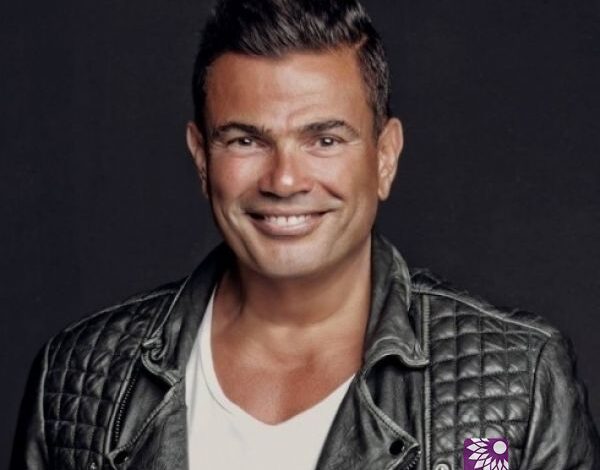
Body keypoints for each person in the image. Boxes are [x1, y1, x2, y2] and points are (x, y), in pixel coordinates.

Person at [10, 0, 600, 469]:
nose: (285, 179)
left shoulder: (518, 381)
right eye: (246, 140)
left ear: (385, 156)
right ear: (201, 158)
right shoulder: (77, 377)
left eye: (324, 139)